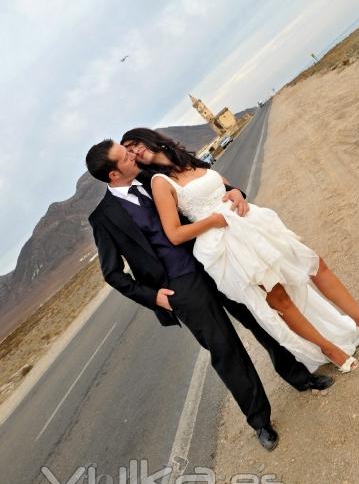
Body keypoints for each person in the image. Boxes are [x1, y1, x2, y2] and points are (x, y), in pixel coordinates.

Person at [85, 139, 334, 452]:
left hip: (215, 259)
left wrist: (236, 193)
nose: (132, 155)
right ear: (112, 175)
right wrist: (154, 297)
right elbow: (113, 273)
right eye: (124, 157)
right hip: (180, 288)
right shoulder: (103, 218)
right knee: (225, 350)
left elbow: (208, 185)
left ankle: (301, 377)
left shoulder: (155, 178)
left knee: (261, 319)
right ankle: (260, 421)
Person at [120, 127, 359, 374]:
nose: (135, 151)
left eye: (135, 144)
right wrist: (213, 221)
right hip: (226, 242)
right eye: (130, 152)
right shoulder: (159, 182)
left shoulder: (188, 159)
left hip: (251, 222)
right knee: (278, 299)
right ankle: (329, 349)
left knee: (314, 265)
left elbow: (226, 185)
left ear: (149, 138)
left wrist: (237, 193)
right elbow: (174, 234)